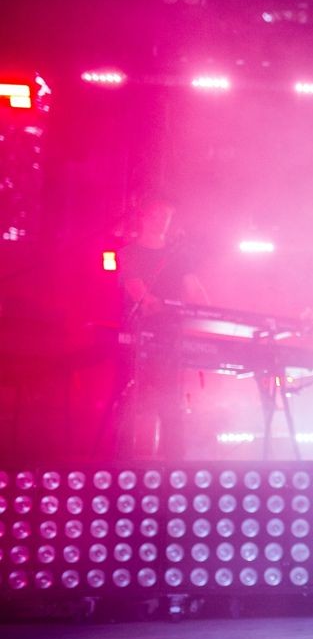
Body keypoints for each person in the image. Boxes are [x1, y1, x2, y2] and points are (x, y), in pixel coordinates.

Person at [115, 195, 209, 460]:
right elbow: (141, 297)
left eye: (167, 216)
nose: (163, 221)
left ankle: (175, 466)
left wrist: (204, 309)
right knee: (133, 401)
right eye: (158, 214)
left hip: (171, 337)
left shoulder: (177, 256)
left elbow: (196, 291)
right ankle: (122, 462)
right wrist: (160, 305)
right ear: (144, 216)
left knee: (171, 404)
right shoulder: (129, 252)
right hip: (140, 338)